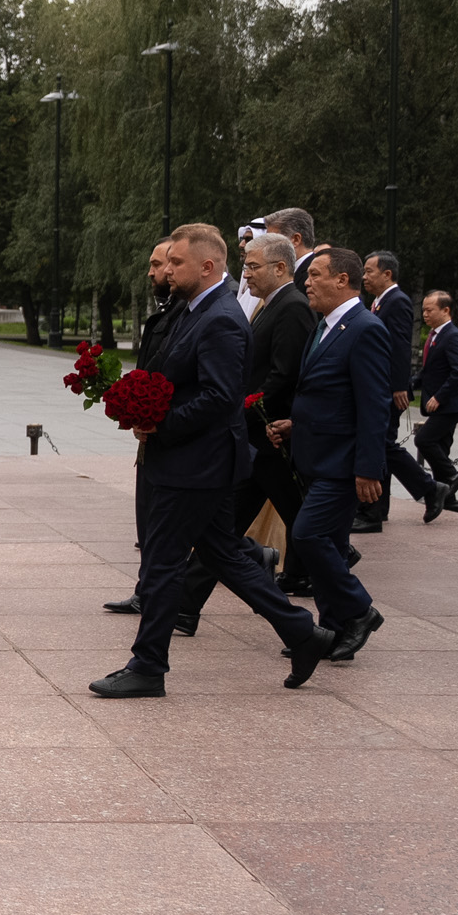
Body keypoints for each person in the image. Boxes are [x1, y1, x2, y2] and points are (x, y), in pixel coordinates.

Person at [88, 224, 336, 698]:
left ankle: (148, 667)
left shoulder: (220, 317)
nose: (168, 270)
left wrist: (161, 423)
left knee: (162, 563)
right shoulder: (192, 308)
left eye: (176, 262)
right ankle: (304, 633)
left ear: (207, 266)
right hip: (198, 462)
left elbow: (221, 398)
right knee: (225, 556)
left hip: (196, 465)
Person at [180, 231, 309, 623]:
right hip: (257, 441)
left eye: (253, 266)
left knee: (309, 530)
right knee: (222, 531)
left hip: (274, 440)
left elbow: (282, 377)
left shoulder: (292, 307)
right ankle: (185, 606)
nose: (246, 274)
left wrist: (242, 412)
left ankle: (347, 608)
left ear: (280, 267)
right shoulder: (273, 305)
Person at [268, 246, 388, 664]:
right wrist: (295, 425)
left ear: (342, 279)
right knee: (331, 546)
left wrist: (368, 468)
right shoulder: (325, 325)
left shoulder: (365, 328)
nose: (307, 282)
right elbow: (329, 395)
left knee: (307, 536)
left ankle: (360, 610)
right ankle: (335, 629)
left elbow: (373, 406)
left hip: (342, 462)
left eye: (315, 274)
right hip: (316, 456)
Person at [104, 239, 181, 618]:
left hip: (175, 435)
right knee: (151, 520)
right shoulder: (170, 310)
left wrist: (155, 416)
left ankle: (153, 598)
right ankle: (148, 592)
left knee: (176, 529)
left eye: (158, 264)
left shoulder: (193, 312)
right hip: (155, 429)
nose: (152, 272)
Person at [359, 251, 452, 529]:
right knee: (382, 445)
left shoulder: (397, 301)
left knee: (381, 445)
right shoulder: (380, 301)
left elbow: (399, 345)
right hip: (383, 386)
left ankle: (430, 488)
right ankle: (379, 508)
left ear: (387, 274)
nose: (364, 277)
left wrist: (399, 386)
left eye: (369, 271)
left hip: (389, 388)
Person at [412, 291, 458, 503]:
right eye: (423, 310)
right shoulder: (435, 335)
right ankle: (449, 502)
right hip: (441, 405)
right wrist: (410, 384)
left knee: (423, 440)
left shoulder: (453, 335)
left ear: (445, 310)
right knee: (440, 450)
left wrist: (439, 397)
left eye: (430, 310)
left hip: (450, 404)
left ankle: (454, 477)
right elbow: (429, 371)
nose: (425, 314)